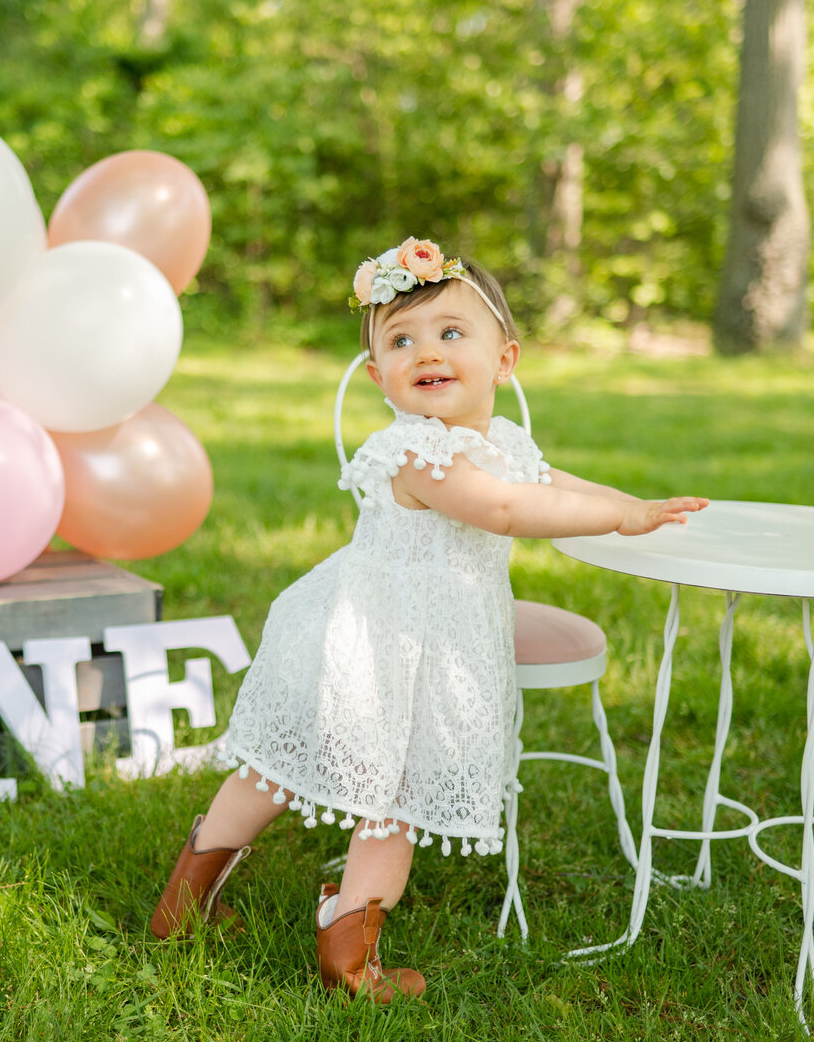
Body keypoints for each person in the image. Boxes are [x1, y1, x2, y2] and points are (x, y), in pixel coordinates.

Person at [148, 238, 708, 1000]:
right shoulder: (415, 450)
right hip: (365, 641)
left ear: (504, 360)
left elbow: (543, 478)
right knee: (295, 776)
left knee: (374, 796)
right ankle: (202, 907)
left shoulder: (497, 440)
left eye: (450, 333)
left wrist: (636, 505)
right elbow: (506, 507)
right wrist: (619, 517)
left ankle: (339, 948)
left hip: (430, 648)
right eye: (401, 340)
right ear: (379, 377)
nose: (427, 352)